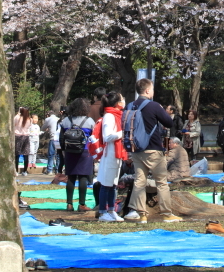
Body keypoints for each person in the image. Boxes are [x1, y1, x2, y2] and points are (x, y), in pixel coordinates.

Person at [123, 78, 182, 224]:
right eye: (152, 89)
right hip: (153, 149)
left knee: (139, 181)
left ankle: (142, 214)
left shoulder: (130, 106)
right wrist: (161, 110)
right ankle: (166, 213)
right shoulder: (154, 106)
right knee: (161, 182)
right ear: (147, 90)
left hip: (136, 149)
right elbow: (168, 122)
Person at [96, 91, 127, 222]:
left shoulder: (118, 115)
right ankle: (103, 211)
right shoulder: (109, 116)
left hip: (117, 154)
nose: (124, 100)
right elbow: (107, 136)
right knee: (106, 184)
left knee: (113, 184)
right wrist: (122, 133)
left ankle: (111, 210)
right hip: (110, 154)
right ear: (117, 103)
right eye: (122, 98)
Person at [60, 98, 95, 212]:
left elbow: (61, 138)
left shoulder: (66, 120)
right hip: (85, 152)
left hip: (70, 151)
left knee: (71, 177)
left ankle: (69, 204)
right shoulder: (89, 121)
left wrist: (64, 150)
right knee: (83, 177)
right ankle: (82, 204)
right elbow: (94, 138)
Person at [14, 107, 31, 175]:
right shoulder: (29, 119)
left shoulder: (17, 118)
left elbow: (13, 122)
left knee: (17, 154)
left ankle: (16, 170)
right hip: (26, 137)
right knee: (25, 154)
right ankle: (24, 171)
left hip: (18, 136)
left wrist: (18, 114)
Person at [41, 110, 59, 175]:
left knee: (51, 154)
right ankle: (58, 170)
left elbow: (43, 128)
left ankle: (49, 170)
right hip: (59, 139)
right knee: (58, 155)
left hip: (53, 138)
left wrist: (47, 128)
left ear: (48, 115)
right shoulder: (58, 119)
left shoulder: (48, 119)